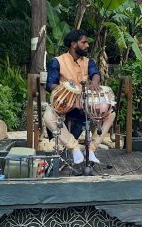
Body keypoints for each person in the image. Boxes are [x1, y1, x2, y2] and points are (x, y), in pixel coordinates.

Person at [43, 30, 115, 164]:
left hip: (85, 103)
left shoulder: (89, 62)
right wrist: (65, 89)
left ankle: (91, 149)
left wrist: (94, 82)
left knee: (111, 113)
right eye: (84, 42)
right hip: (66, 103)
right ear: (73, 44)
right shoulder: (57, 61)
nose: (87, 45)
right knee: (48, 116)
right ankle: (74, 148)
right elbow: (49, 84)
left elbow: (96, 73)